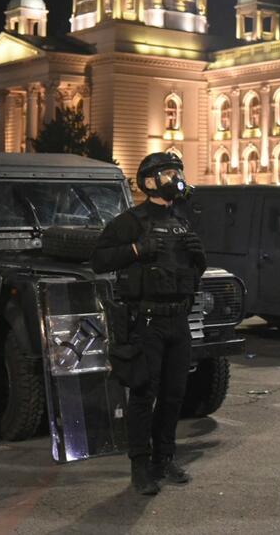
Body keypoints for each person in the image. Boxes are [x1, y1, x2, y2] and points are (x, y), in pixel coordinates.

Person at [91, 152, 206, 496]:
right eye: (169, 173)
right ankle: (140, 466)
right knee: (144, 395)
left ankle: (164, 459)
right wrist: (136, 250)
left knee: (174, 395)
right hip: (147, 320)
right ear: (150, 181)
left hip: (178, 320)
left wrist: (199, 256)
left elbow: (192, 271)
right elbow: (99, 259)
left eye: (178, 173)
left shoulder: (182, 221)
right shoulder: (131, 221)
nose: (176, 180)